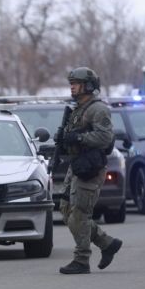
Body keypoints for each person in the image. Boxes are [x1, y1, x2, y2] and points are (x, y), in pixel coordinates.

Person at [58, 67, 123, 274]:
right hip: (77, 164)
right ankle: (107, 243)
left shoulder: (98, 109)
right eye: (71, 83)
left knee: (80, 213)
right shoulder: (78, 109)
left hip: (90, 167)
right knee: (67, 209)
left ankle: (82, 260)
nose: (72, 87)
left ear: (88, 86)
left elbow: (105, 138)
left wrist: (78, 138)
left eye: (75, 83)